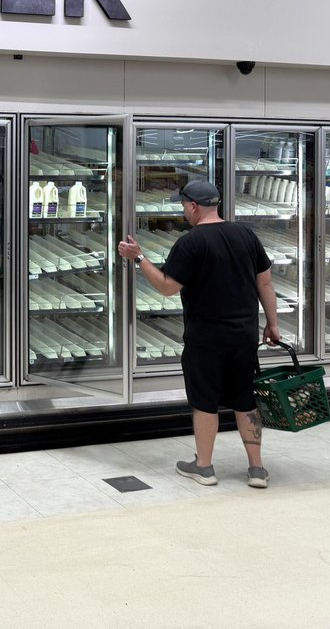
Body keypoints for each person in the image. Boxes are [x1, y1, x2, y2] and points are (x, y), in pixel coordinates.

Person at [117, 179, 281, 488]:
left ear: (193, 206)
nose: (183, 212)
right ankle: (257, 469)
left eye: (183, 206)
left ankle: (204, 467)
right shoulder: (246, 235)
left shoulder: (191, 242)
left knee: (205, 402)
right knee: (245, 401)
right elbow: (265, 283)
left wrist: (139, 258)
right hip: (243, 335)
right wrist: (272, 324)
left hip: (206, 338)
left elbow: (167, 286)